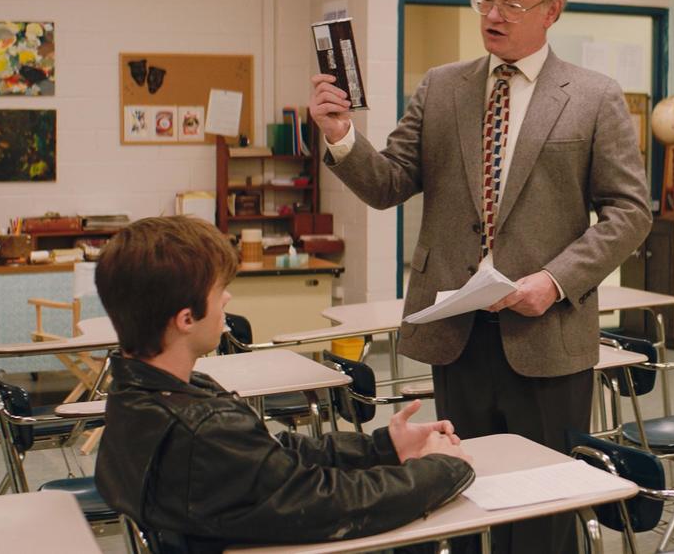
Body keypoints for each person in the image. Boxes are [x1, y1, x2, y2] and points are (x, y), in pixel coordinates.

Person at [310, 0, 651, 553]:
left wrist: (552, 282)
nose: (493, 16)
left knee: (542, 509)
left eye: (512, 5)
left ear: (553, 11)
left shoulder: (594, 97)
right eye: (485, 0)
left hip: (548, 338)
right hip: (458, 335)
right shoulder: (443, 88)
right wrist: (341, 138)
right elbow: (388, 183)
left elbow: (629, 214)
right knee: (454, 499)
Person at [94, 216, 473, 554]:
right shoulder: (202, 429)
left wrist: (383, 447)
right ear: (186, 318)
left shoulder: (138, 391)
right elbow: (332, 504)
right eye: (217, 289)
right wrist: (440, 469)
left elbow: (276, 456)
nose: (227, 296)